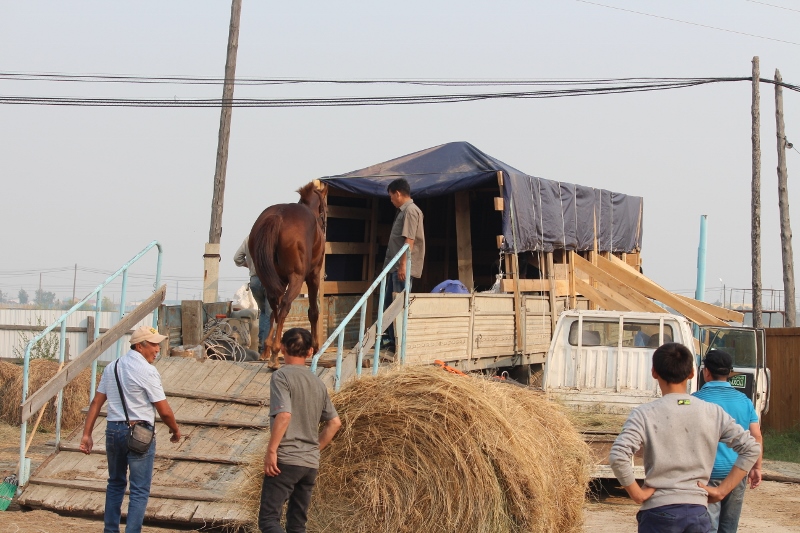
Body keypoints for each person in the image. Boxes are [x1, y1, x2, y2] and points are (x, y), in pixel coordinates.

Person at [609, 342, 761, 533]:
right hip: (698, 513)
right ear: (691, 373)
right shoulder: (713, 412)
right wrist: (722, 490)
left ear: (654, 372)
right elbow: (752, 447)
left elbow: (618, 456)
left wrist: (636, 493)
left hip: (658, 512)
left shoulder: (643, 414)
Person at [79, 325, 182, 533]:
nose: (157, 349)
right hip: (139, 433)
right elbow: (164, 410)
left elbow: (96, 403)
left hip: (113, 430)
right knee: (139, 490)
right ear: (139, 346)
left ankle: (110, 530)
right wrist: (175, 430)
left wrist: (87, 434)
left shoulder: (112, 367)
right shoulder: (147, 371)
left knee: (115, 483)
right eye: (153, 345)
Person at [259, 328, 342, 533]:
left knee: (269, 521)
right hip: (309, 464)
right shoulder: (318, 383)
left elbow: (284, 415)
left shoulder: (281, 376)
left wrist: (271, 451)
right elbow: (334, 423)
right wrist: (313, 450)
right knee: (297, 525)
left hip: (286, 460)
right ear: (310, 352)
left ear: (283, 348)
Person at [693, 350, 763, 533]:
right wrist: (756, 467)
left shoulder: (695, 401)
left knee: (708, 527)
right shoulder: (745, 401)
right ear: (729, 373)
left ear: (706, 371)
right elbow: (756, 436)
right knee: (729, 528)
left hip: (706, 474)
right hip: (737, 472)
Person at [380, 178, 425, 352]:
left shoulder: (411, 211)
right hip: (394, 266)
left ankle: (398, 344)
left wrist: (403, 266)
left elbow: (409, 241)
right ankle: (391, 342)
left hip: (401, 267)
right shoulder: (402, 211)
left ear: (398, 193)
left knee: (398, 305)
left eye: (391, 196)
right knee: (390, 304)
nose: (391, 200)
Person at [235, 237, 272, 352]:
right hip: (269, 279)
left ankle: (262, 345)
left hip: (255, 280)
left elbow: (237, 258)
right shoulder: (271, 237)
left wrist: (250, 266)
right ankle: (265, 349)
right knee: (270, 315)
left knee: (263, 312)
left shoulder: (249, 238)